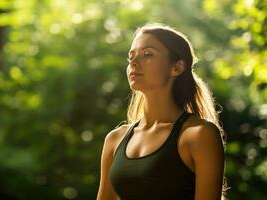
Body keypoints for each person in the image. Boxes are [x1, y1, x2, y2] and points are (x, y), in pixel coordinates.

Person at [96, 23, 229, 200]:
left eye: (147, 54)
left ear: (177, 67)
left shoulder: (199, 135)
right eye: (131, 56)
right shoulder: (115, 140)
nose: (134, 62)